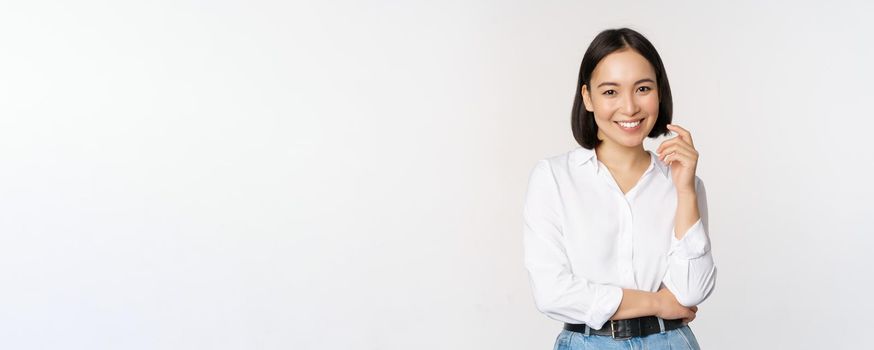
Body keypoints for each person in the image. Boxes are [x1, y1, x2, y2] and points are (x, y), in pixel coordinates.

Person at [522, 28, 717, 349]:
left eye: (642, 88)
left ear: (659, 92)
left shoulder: (686, 183)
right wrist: (657, 304)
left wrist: (684, 192)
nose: (629, 107)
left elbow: (691, 292)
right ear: (588, 97)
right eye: (610, 92)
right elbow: (551, 293)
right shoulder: (553, 178)